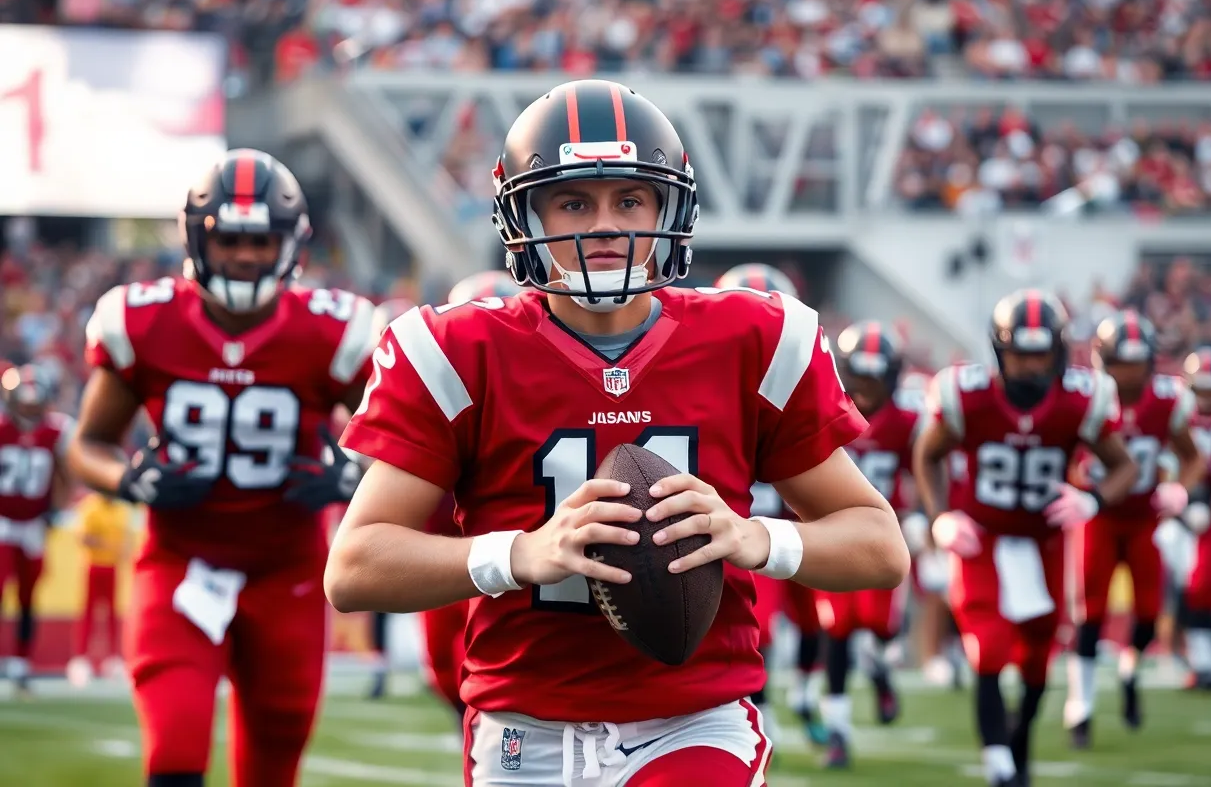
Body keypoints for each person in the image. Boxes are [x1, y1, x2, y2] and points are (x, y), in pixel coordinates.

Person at [327, 78, 909, 787]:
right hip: (522, 731)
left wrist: (755, 538)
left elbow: (879, 547)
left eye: (629, 199)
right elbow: (353, 568)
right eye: (574, 201)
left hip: (696, 720)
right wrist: (520, 553)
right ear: (524, 215)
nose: (604, 225)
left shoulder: (752, 338)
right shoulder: (458, 350)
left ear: (670, 205)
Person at [68, 149, 376, 787]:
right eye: (230, 239)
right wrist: (130, 480)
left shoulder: (331, 331)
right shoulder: (145, 320)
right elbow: (86, 444)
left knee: (271, 768)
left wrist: (351, 477)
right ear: (196, 239)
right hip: (180, 564)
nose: (244, 256)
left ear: (290, 244)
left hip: (288, 572)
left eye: (261, 241)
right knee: (174, 755)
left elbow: (403, 446)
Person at [912, 289, 1137, 787]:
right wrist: (939, 516)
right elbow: (927, 455)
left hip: (1046, 540)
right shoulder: (966, 393)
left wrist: (1094, 500)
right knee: (988, 647)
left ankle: (1019, 743)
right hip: (982, 536)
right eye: (1021, 354)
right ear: (998, 350)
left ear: (1057, 351)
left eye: (1040, 353)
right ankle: (999, 767)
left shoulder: (1082, 397)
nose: (1032, 366)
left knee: (1039, 654)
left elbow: (1124, 466)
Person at [1063, 311, 1204, 745]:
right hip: (1098, 517)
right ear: (1105, 361)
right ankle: (1080, 708)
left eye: (1138, 362)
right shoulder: (1085, 395)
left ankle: (1128, 669)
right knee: (1091, 614)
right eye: (1123, 362)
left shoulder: (1167, 398)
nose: (1131, 372)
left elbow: (1192, 456)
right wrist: (1075, 486)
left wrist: (1180, 489)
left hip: (1145, 519)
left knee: (1147, 615)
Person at [714, 263, 828, 750]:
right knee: (760, 627)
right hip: (732, 533)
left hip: (789, 524)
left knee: (816, 620)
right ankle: (764, 704)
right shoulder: (694, 387)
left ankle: (803, 693)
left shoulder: (799, 379)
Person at [816, 320, 925, 767]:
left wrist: (922, 517)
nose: (866, 388)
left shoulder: (907, 419)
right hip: (833, 530)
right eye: (859, 377)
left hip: (883, 533)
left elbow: (923, 470)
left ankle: (880, 671)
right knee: (837, 632)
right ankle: (838, 733)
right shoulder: (824, 408)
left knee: (880, 628)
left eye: (875, 379)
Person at [0, 364, 75, 696]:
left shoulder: (57, 431)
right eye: (24, 400)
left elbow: (65, 472)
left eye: (35, 401)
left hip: (33, 523)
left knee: (29, 596)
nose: (29, 407)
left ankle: (21, 662)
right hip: (2, 521)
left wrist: (57, 507)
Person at [66, 490, 136, 687]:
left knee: (113, 614)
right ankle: (81, 659)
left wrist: (122, 549)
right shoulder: (90, 506)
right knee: (89, 612)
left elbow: (127, 538)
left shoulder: (122, 510)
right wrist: (106, 544)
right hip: (94, 566)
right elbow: (83, 537)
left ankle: (114, 659)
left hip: (112, 567)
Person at [1181, 346, 1211, 690]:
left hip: (1208, 512)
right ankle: (1204, 662)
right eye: (1201, 389)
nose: (1206, 397)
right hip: (1185, 514)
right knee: (1195, 586)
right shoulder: (1182, 420)